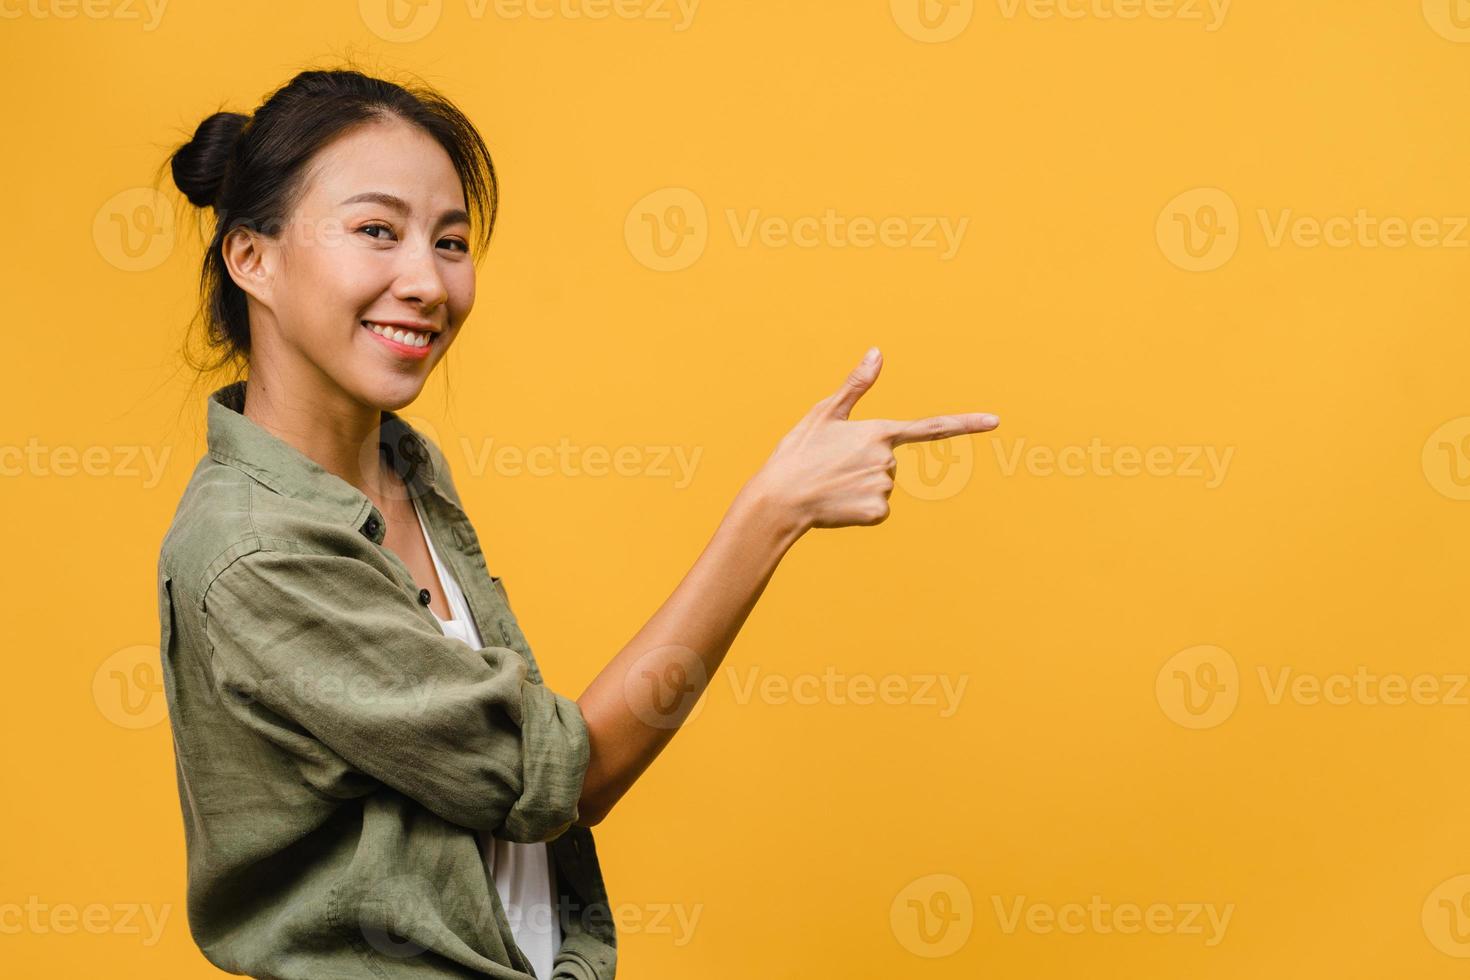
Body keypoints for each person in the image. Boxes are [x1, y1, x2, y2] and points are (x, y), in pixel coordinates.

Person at [154, 66, 1000, 980]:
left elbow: (500, 827)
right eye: (376, 232)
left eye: (450, 242)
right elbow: (556, 780)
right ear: (253, 259)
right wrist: (770, 513)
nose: (428, 282)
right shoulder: (257, 551)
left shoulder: (403, 465)